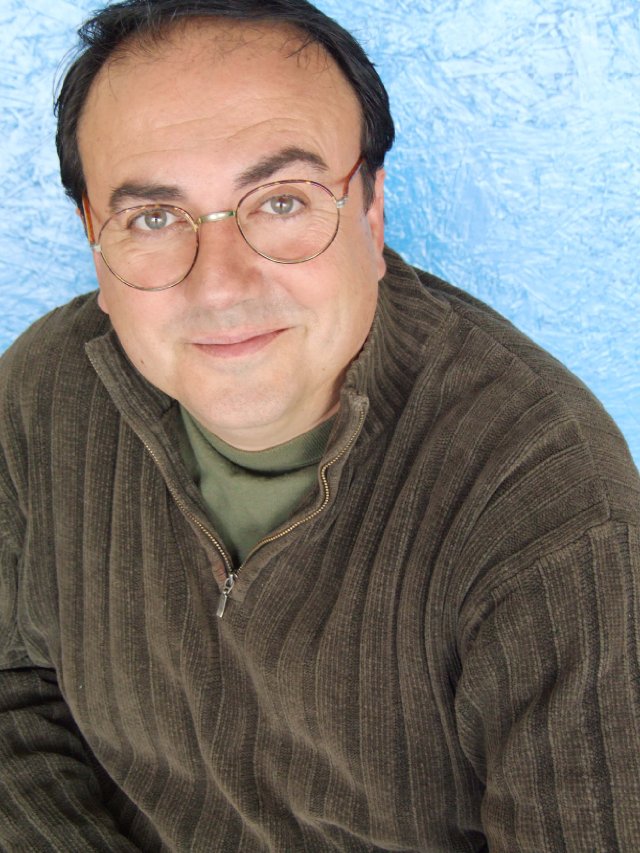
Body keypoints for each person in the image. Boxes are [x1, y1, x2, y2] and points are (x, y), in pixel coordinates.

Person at [1, 0, 638, 849]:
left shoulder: (551, 503)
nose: (220, 284)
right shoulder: (42, 393)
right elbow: (12, 700)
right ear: (94, 236)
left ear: (372, 212)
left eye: (281, 201)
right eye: (152, 217)